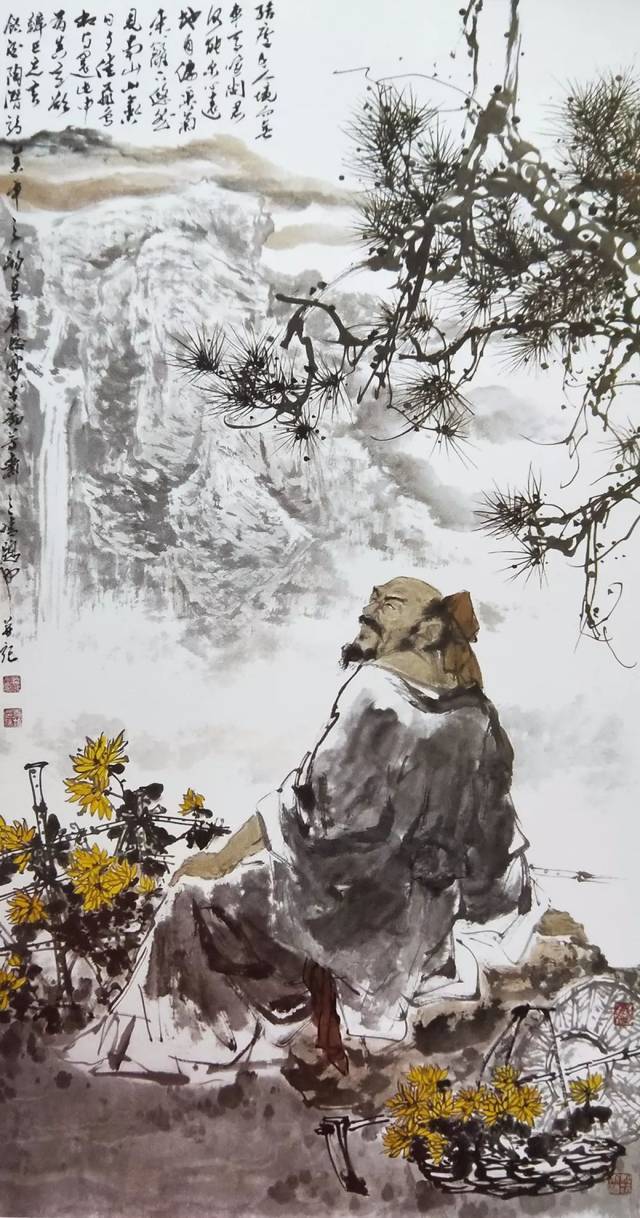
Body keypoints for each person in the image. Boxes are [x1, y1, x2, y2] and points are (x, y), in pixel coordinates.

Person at [66, 577, 532, 1082]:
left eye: (389, 604)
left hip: (347, 914)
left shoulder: (375, 692)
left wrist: (224, 857)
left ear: (425, 630)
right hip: (419, 926)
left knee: (192, 896)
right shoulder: (477, 715)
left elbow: (316, 812)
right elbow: (494, 837)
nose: (370, 608)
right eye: (372, 596)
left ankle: (181, 1050)